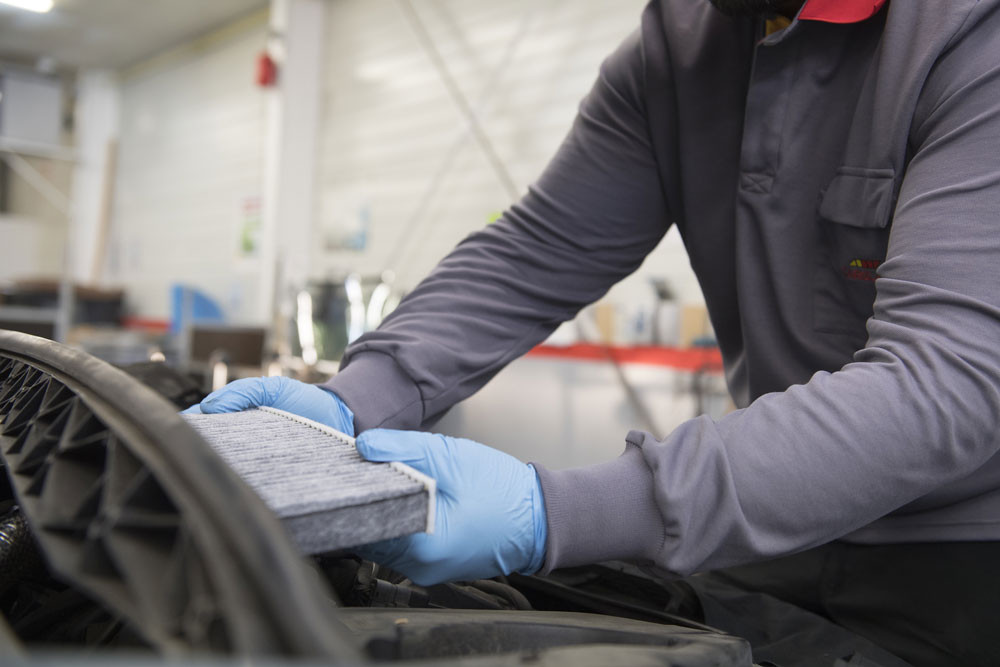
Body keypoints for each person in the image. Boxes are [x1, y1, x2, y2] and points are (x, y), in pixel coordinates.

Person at [186, 1, 1000, 664]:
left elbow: (944, 384)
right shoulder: (677, 47)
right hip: (760, 536)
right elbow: (536, 250)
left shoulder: (970, 34)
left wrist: (558, 510)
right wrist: (350, 403)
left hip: (957, 557)